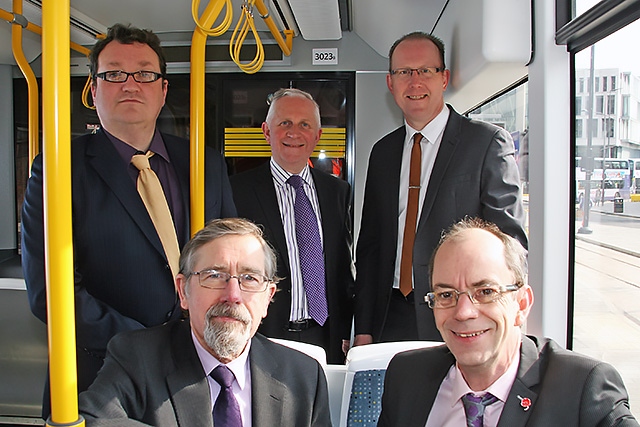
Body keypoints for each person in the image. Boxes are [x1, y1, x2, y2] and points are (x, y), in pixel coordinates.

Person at [21, 23, 236, 413]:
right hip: (103, 375)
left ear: (163, 89)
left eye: (145, 73)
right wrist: (145, 344)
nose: (130, 84)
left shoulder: (203, 163)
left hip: (198, 370)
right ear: (93, 88)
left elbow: (230, 259)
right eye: (114, 73)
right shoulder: (59, 169)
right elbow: (50, 293)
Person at [354, 31, 527, 346]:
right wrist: (363, 326)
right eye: (404, 72)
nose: (415, 81)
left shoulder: (486, 143)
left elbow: (508, 242)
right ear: (390, 82)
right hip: (388, 315)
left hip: (458, 313)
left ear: (444, 78)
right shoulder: (382, 152)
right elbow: (370, 247)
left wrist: (500, 316)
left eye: (426, 71)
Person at [378, 217, 638, 427]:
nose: (464, 312)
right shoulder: (405, 377)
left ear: (521, 304)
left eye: (486, 292)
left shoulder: (584, 390)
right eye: (446, 295)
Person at [78, 218, 331, 427]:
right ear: (183, 291)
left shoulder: (304, 377)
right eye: (214, 275)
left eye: (250, 278)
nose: (233, 295)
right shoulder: (136, 358)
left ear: (268, 298)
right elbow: (93, 419)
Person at [230, 88, 354, 364]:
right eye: (284, 123)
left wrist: (345, 330)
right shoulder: (238, 191)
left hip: (325, 337)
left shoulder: (337, 192)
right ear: (266, 131)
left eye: (304, 125)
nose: (293, 133)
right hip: (263, 336)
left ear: (318, 135)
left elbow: (340, 269)